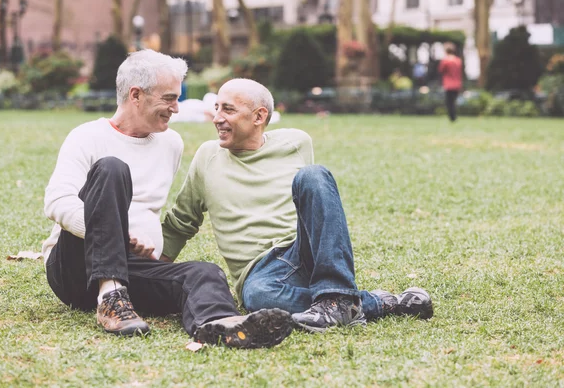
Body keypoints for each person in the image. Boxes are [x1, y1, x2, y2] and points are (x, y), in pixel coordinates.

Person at [42, 51, 292, 349]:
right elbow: (57, 202)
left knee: (204, 272)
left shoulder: (170, 143)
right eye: (170, 98)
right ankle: (110, 295)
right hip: (76, 269)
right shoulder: (87, 136)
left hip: (133, 268)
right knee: (112, 167)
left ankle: (221, 327)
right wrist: (117, 235)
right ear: (136, 95)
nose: (176, 108)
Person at [161, 78, 434, 333]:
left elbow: (313, 202)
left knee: (313, 175)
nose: (218, 118)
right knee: (258, 297)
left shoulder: (296, 142)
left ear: (259, 116)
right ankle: (362, 303)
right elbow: (181, 222)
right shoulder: (207, 156)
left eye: (228, 110)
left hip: (303, 252)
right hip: (260, 273)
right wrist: (144, 274)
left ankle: (336, 295)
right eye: (217, 108)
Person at [438, 42, 463, 122]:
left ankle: (452, 117)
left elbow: (441, 70)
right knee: (454, 101)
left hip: (448, 84)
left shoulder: (445, 61)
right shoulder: (458, 60)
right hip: (457, 84)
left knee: (449, 102)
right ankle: (454, 116)